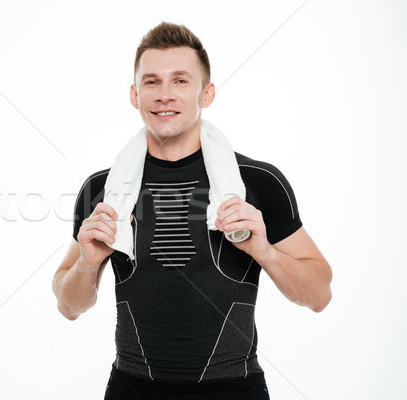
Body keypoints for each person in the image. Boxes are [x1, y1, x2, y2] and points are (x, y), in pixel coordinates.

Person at [52, 22, 332, 400]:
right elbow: (68, 306)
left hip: (234, 389)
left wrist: (264, 251)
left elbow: (319, 296)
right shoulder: (104, 190)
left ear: (207, 93)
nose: (164, 95)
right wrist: (88, 264)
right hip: (131, 388)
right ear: (135, 95)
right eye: (151, 82)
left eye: (180, 81)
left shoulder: (257, 182)